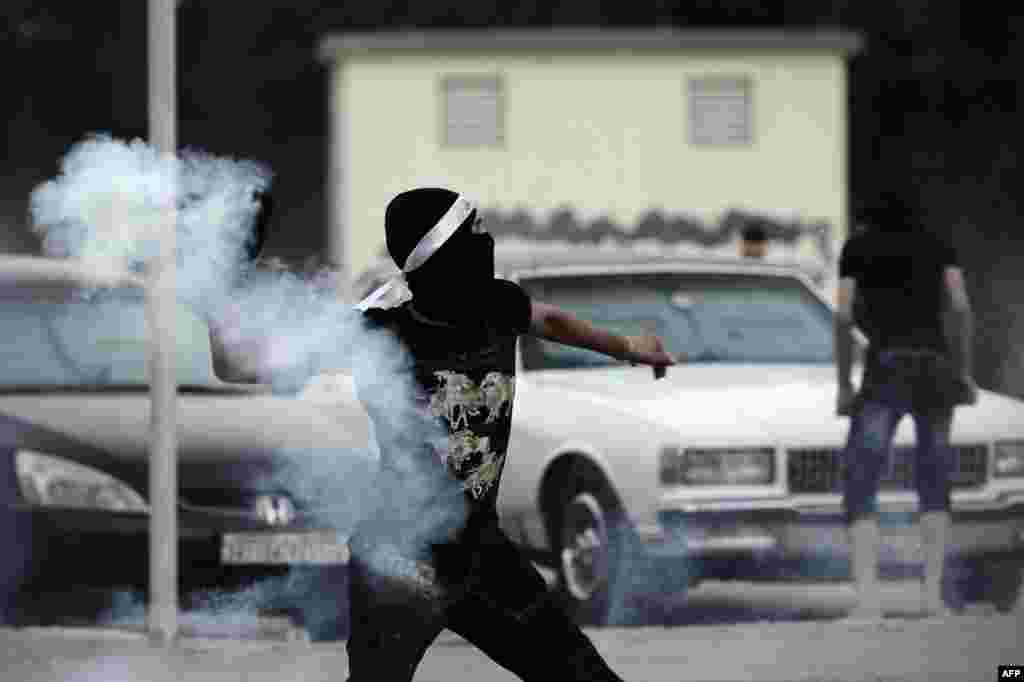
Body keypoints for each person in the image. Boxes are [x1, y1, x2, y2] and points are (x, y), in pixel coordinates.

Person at [347, 187, 677, 681]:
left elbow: (553, 320)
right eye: (473, 229)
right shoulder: (377, 334)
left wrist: (629, 346)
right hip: (399, 559)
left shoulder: (497, 306)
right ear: (443, 249)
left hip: (481, 556)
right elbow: (245, 364)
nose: (486, 239)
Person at [834, 191, 977, 621]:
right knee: (934, 478)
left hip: (885, 370)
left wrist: (843, 384)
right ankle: (931, 599)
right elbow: (961, 307)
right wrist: (964, 372)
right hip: (935, 370)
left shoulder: (857, 248)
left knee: (862, 478)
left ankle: (868, 602)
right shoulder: (938, 244)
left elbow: (842, 316)